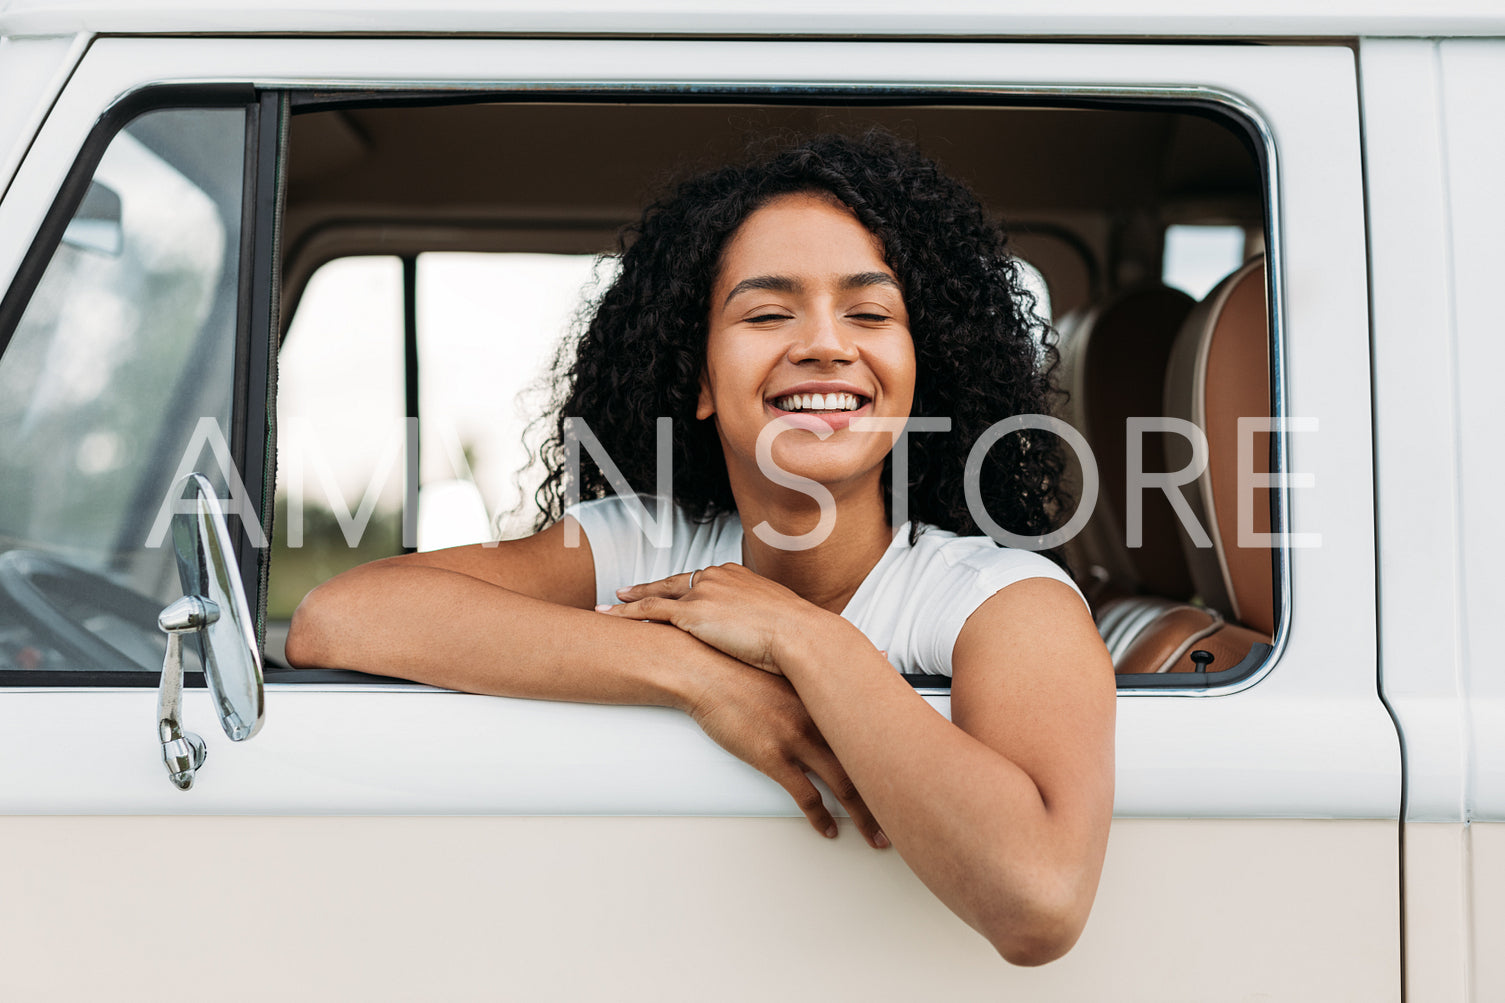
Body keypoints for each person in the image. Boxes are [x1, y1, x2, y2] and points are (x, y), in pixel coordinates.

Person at [285, 131, 1115, 966]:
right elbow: (337, 618)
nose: (825, 343)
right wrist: (698, 675)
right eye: (765, 313)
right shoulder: (642, 540)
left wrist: (801, 636)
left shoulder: (1001, 597)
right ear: (700, 379)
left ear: (915, 370)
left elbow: (1039, 902)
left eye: (869, 312)